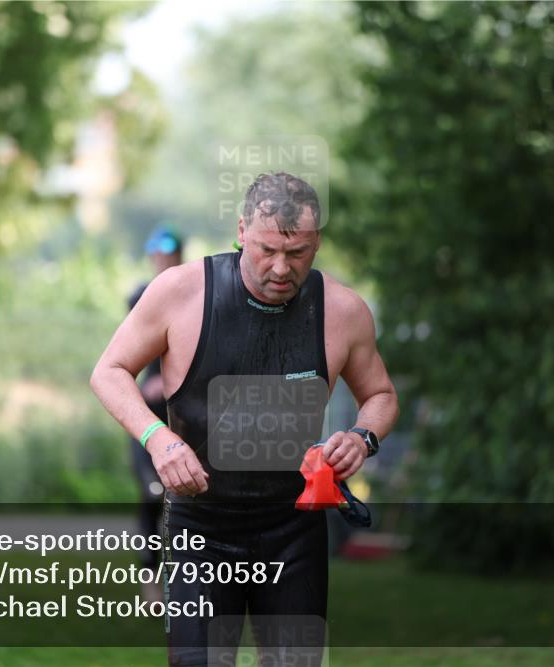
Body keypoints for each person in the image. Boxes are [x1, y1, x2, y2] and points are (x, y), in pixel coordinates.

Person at [91, 172, 399, 666]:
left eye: (297, 254)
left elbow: (381, 395)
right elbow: (108, 371)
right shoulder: (181, 292)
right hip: (201, 528)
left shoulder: (342, 311)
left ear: (316, 243)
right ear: (241, 231)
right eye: (266, 250)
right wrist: (158, 439)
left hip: (294, 528)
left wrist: (363, 437)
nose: (281, 268)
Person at [126, 225, 185, 603]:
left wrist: (169, 383)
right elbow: (131, 352)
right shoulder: (140, 296)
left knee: (182, 498)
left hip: (184, 413)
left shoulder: (194, 293)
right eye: (155, 252)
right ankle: (151, 578)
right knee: (151, 494)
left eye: (168, 252)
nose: (161, 258)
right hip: (148, 418)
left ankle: (184, 579)